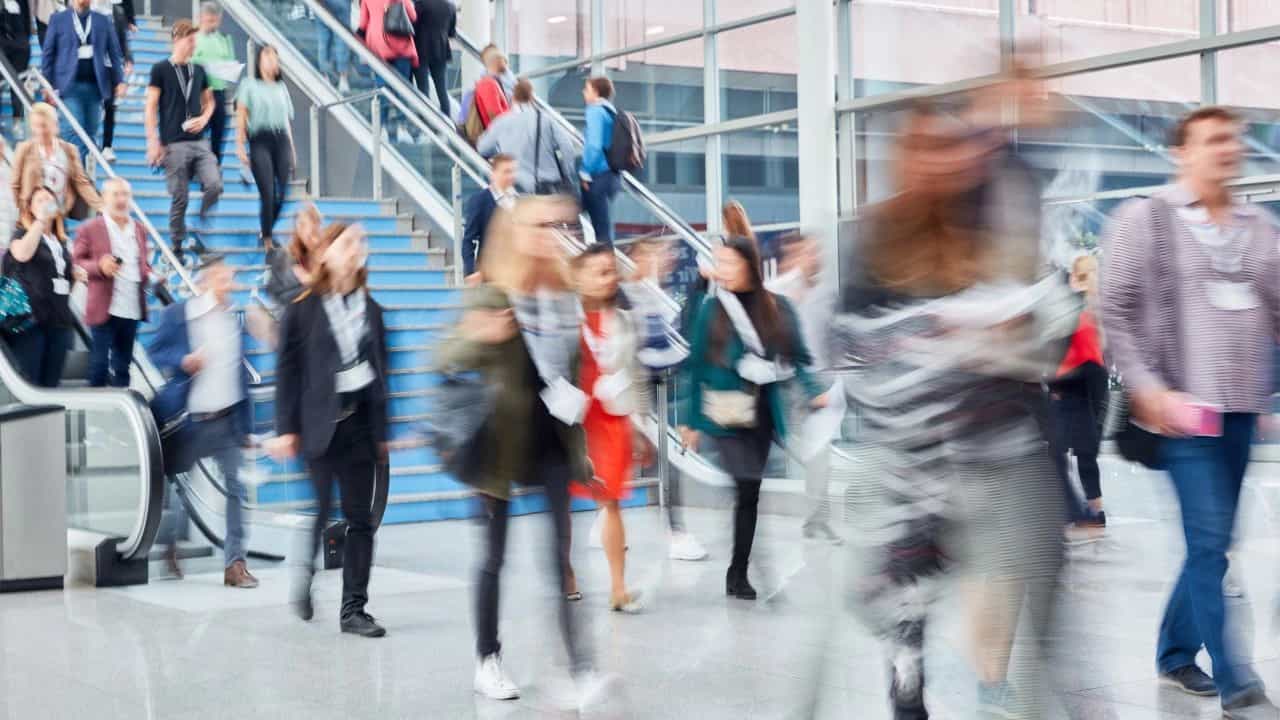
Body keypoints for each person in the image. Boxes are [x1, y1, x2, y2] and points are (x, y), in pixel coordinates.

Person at [835, 102, 1067, 719]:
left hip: (995, 449)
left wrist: (1013, 332)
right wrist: (943, 333)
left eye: (958, 149)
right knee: (908, 597)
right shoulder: (875, 237)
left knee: (1033, 584)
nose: (952, 162)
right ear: (906, 159)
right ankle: (908, 687)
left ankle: (1005, 684)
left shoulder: (982, 235)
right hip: (912, 458)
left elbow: (1040, 329)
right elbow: (853, 345)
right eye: (933, 149)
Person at [1100, 106, 1280, 716]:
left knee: (1213, 542)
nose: (1227, 148)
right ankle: (1238, 681)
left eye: (1233, 138)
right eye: (1212, 140)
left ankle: (1175, 654)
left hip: (1240, 410)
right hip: (1180, 412)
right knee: (1209, 544)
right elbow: (1116, 309)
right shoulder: (1146, 219)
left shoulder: (1258, 226)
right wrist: (1149, 387)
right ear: (1182, 152)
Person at [436, 194, 607, 704]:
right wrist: (477, 339)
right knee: (494, 559)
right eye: (537, 225)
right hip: (498, 449)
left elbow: (570, 373)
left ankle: (580, 665)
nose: (548, 233)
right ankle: (487, 658)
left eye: (557, 225)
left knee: (560, 558)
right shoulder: (492, 295)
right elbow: (445, 356)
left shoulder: (562, 295)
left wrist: (580, 433)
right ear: (513, 232)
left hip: (550, 444)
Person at [679, 236, 824, 601]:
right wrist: (689, 420)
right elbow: (695, 367)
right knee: (745, 483)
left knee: (750, 493)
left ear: (749, 265)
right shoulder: (712, 308)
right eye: (719, 262)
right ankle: (747, 569)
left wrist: (812, 389)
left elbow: (798, 357)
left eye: (730, 262)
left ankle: (738, 569)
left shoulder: (778, 307)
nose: (722, 270)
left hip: (761, 413)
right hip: (725, 414)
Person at [271, 222, 390, 638]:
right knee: (323, 512)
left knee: (361, 520)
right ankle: (303, 576)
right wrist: (285, 428)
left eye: (363, 241)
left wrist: (383, 432)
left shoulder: (371, 309)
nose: (359, 248)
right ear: (327, 253)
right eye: (350, 241)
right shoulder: (303, 309)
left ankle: (353, 609)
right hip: (319, 428)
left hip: (359, 426)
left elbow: (383, 374)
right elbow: (287, 371)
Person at [147, 255, 258, 588]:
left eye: (231, 276)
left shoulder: (232, 322)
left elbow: (240, 376)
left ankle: (235, 564)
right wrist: (183, 360)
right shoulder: (178, 315)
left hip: (226, 422)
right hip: (190, 420)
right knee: (178, 490)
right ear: (206, 280)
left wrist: (247, 429)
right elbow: (154, 352)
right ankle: (170, 547)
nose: (229, 282)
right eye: (223, 276)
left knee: (237, 490)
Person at [567, 244, 650, 613]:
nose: (609, 277)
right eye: (600, 271)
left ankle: (618, 586)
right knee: (563, 505)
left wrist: (640, 426)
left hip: (612, 419)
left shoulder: (624, 320)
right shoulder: (565, 318)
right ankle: (566, 574)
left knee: (611, 501)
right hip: (574, 421)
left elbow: (636, 374)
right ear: (579, 277)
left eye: (611, 270)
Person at [765, 231, 841, 544]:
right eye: (807, 252)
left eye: (815, 251)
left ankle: (816, 522)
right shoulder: (775, 292)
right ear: (791, 257)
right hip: (785, 382)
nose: (814, 258)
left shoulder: (826, 294)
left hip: (819, 382)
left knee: (819, 455)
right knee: (794, 445)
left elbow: (833, 336)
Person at [146, 19, 222, 257]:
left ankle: (198, 228)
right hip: (174, 142)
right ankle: (178, 242)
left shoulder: (198, 69)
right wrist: (153, 142)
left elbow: (210, 101)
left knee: (214, 185)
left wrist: (205, 118)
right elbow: (150, 107)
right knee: (181, 196)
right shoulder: (160, 69)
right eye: (190, 40)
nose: (193, 45)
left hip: (200, 141)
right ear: (177, 39)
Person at [1049, 254, 1108, 537]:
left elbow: (1091, 365)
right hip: (1076, 394)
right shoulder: (1083, 312)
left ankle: (1085, 511)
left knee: (1067, 456)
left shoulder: (1080, 314)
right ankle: (1089, 511)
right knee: (1076, 457)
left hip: (1073, 394)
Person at [73, 176, 150, 388]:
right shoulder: (90, 228)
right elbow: (77, 262)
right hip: (103, 306)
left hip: (131, 307)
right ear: (104, 198)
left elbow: (143, 263)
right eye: (115, 194)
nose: (121, 199)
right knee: (99, 364)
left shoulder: (139, 229)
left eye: (125, 194)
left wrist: (149, 274)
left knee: (123, 366)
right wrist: (100, 266)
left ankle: (121, 414)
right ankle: (96, 410)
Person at [3, 185, 81, 387]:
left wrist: (74, 276)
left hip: (59, 321)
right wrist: (39, 221)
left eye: (49, 199)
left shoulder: (61, 243)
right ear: (29, 208)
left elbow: (62, 285)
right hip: (31, 322)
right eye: (40, 200)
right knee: (31, 383)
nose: (46, 203)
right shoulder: (21, 233)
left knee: (51, 385)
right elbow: (22, 254)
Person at [40, 0, 125, 160]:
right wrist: (47, 83)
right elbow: (48, 53)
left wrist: (120, 80)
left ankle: (82, 176)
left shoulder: (103, 20)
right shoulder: (58, 19)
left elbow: (114, 52)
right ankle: (75, 177)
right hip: (69, 86)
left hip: (95, 87)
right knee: (73, 130)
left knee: (90, 133)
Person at [235, 44, 294, 250]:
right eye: (267, 55)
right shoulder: (249, 85)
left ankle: (266, 228)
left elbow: (286, 121)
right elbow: (241, 114)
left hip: (281, 140)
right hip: (260, 140)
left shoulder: (282, 88)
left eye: (274, 56)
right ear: (259, 61)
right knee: (267, 191)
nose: (271, 60)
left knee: (283, 192)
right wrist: (240, 145)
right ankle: (267, 238)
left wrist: (292, 149)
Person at [477, 78, 579, 196]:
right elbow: (567, 147)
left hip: (516, 187)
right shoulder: (546, 119)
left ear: (512, 97)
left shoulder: (501, 122)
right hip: (550, 187)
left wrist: (500, 149)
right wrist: (567, 173)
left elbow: (482, 148)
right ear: (531, 98)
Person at [11, 102, 101, 222]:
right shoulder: (23, 148)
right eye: (36, 126)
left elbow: (82, 183)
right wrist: (24, 210)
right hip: (31, 217)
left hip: (58, 216)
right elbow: (15, 185)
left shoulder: (69, 150)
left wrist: (102, 207)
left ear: (55, 125)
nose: (40, 130)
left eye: (44, 125)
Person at [358, 0, 416, 143]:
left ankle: (380, 127)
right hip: (399, 41)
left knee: (382, 88)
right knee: (403, 89)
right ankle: (402, 127)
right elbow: (413, 16)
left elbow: (363, 23)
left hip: (377, 43)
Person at [191, 2, 237, 167]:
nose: (212, 23)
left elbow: (230, 65)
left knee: (219, 133)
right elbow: (189, 63)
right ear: (202, 18)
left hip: (219, 92)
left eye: (215, 20)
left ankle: (214, 169)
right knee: (198, 132)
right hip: (199, 93)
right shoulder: (193, 39)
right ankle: (195, 166)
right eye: (209, 20)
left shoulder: (224, 40)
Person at [461, 153, 516, 279]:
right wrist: (471, 271)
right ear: (494, 174)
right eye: (506, 172)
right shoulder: (480, 200)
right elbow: (469, 239)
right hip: (490, 274)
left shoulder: (518, 200)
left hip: (515, 274)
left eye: (512, 172)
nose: (511, 176)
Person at [579, 76, 620, 246]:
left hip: (598, 176)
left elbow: (594, 146)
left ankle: (605, 267)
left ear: (595, 92)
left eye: (586, 89)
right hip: (612, 177)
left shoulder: (595, 111)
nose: (583, 92)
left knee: (601, 233)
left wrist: (585, 172)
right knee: (601, 228)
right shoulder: (610, 112)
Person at [93, 0, 134, 161]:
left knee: (110, 105)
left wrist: (128, 58)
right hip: (91, 66)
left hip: (112, 66)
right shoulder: (88, 9)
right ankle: (90, 142)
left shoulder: (118, 12)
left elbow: (123, 39)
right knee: (93, 104)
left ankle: (107, 146)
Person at [411, 0, 454, 117]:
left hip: (421, 50)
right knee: (442, 91)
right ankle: (446, 123)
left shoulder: (420, 5)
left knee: (423, 90)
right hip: (441, 51)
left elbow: (412, 28)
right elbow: (451, 32)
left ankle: (426, 121)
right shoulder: (450, 6)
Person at [0, 0, 32, 137]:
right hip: (1, 46)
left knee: (18, 85)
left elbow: (27, 20)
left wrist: (24, 41)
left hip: (20, 45)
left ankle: (17, 121)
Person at [316, 0, 352, 93]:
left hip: (322, 3)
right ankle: (343, 78)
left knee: (323, 39)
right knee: (342, 39)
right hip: (342, 3)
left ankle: (325, 77)